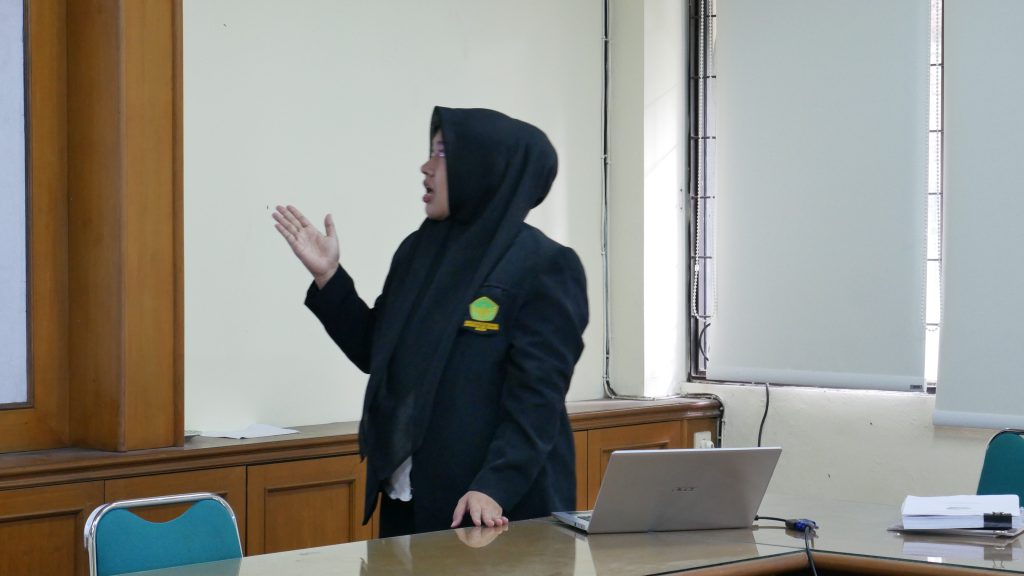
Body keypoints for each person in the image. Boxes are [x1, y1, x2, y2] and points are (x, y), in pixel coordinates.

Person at [272, 107, 588, 536]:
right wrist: (329, 276)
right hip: (407, 497)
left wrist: (494, 485)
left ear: (484, 167)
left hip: (494, 509)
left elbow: (537, 401)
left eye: (442, 153)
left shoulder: (544, 264)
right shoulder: (417, 251)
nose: (426, 166)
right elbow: (376, 351)